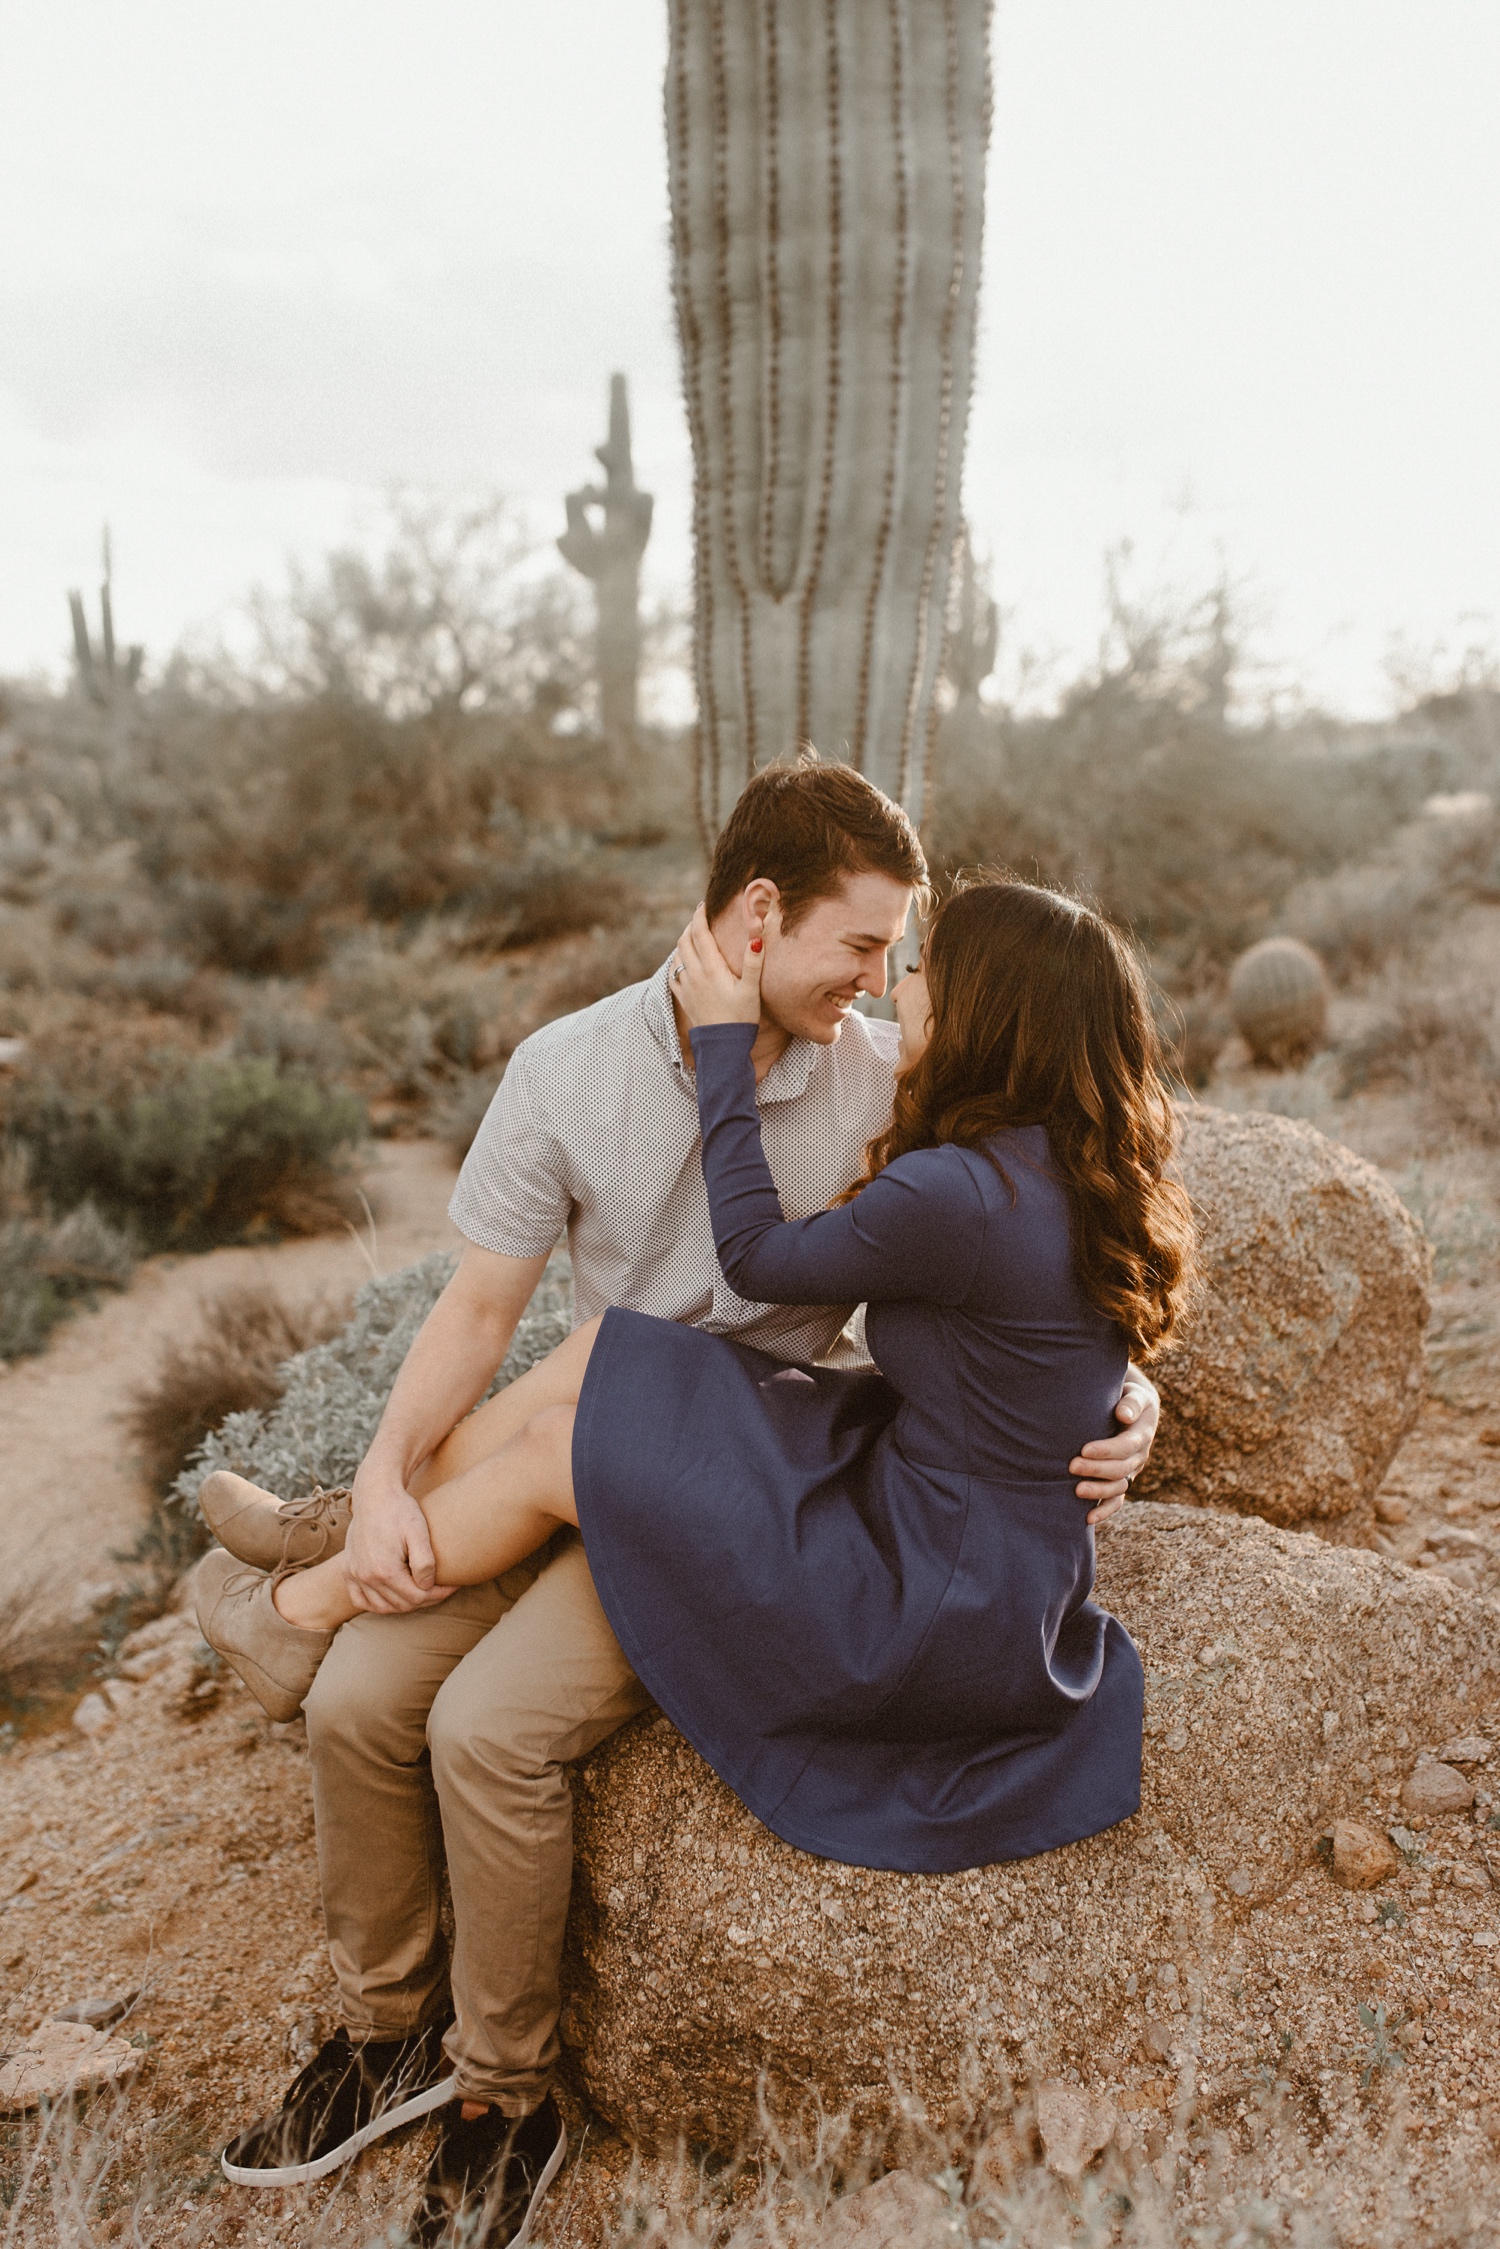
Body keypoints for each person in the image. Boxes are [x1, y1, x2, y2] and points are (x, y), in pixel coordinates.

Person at [196, 763, 1165, 2249]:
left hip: (749, 1475)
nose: (883, 984)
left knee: (486, 1730)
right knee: (358, 1703)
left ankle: (502, 2096)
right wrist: (391, 1471)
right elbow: (473, 1313)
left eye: (904, 961)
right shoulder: (566, 1066)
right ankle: (384, 2022)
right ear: (759, 915)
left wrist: (1127, 1399)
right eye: (862, 947)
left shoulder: (889, 1067)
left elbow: (1060, 1199)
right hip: (582, 1440)